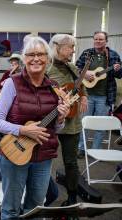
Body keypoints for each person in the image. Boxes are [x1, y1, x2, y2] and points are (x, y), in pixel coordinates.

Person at [0, 36, 70, 219]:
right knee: (10, 209)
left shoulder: (55, 88)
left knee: (35, 208)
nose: (36, 59)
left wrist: (61, 119)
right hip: (14, 153)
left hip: (43, 155)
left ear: (48, 59)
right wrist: (23, 130)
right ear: (24, 59)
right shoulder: (12, 83)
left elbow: (55, 128)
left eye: (41, 54)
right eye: (31, 54)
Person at [48, 34, 88, 209]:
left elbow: (81, 85)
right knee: (42, 159)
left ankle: (72, 197)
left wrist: (84, 96)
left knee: (71, 162)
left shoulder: (72, 67)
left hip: (71, 123)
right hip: (49, 121)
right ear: (57, 47)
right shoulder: (46, 68)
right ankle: (41, 193)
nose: (73, 51)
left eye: (73, 47)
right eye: (70, 47)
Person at [76, 31, 122, 157]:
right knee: (83, 122)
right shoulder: (87, 53)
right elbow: (75, 68)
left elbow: (119, 74)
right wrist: (84, 73)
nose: (98, 41)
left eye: (101, 39)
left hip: (105, 96)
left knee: (100, 124)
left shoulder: (113, 55)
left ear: (106, 41)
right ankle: (82, 148)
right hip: (86, 95)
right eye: (96, 39)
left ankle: (96, 150)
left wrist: (118, 69)